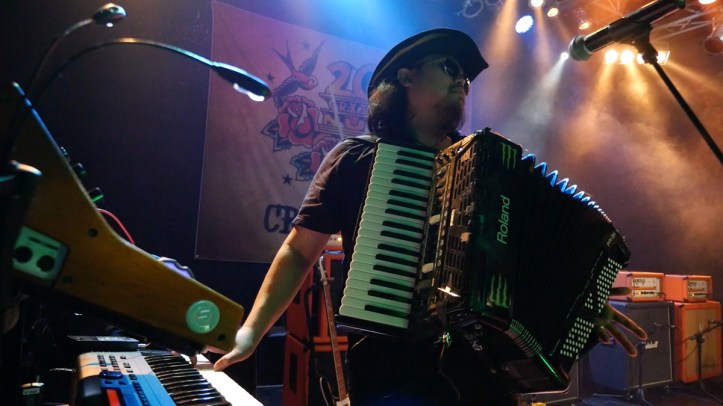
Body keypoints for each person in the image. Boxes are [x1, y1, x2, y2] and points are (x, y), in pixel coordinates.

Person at [213, 28, 647, 405]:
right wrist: (252, 331)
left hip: (482, 375)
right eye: (449, 67)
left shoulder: (490, 172)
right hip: (392, 372)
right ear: (406, 76)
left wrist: (577, 305)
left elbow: (528, 256)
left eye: (467, 79)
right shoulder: (356, 159)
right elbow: (297, 252)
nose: (463, 81)